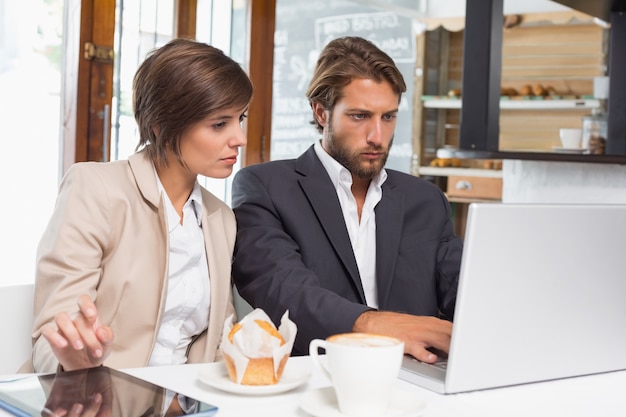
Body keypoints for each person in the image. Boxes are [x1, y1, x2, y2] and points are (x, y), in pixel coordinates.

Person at [21, 38, 253, 374]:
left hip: (185, 405)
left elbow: (218, 342)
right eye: (219, 124)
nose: (239, 138)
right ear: (162, 126)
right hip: (91, 400)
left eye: (240, 118)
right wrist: (72, 358)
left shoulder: (221, 217)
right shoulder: (96, 189)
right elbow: (53, 334)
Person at [231, 36, 462, 362]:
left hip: (416, 382)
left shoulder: (425, 200)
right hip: (316, 380)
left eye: (388, 117)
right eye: (359, 116)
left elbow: (467, 293)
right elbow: (282, 289)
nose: (377, 137)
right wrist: (376, 325)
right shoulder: (265, 187)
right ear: (322, 113)